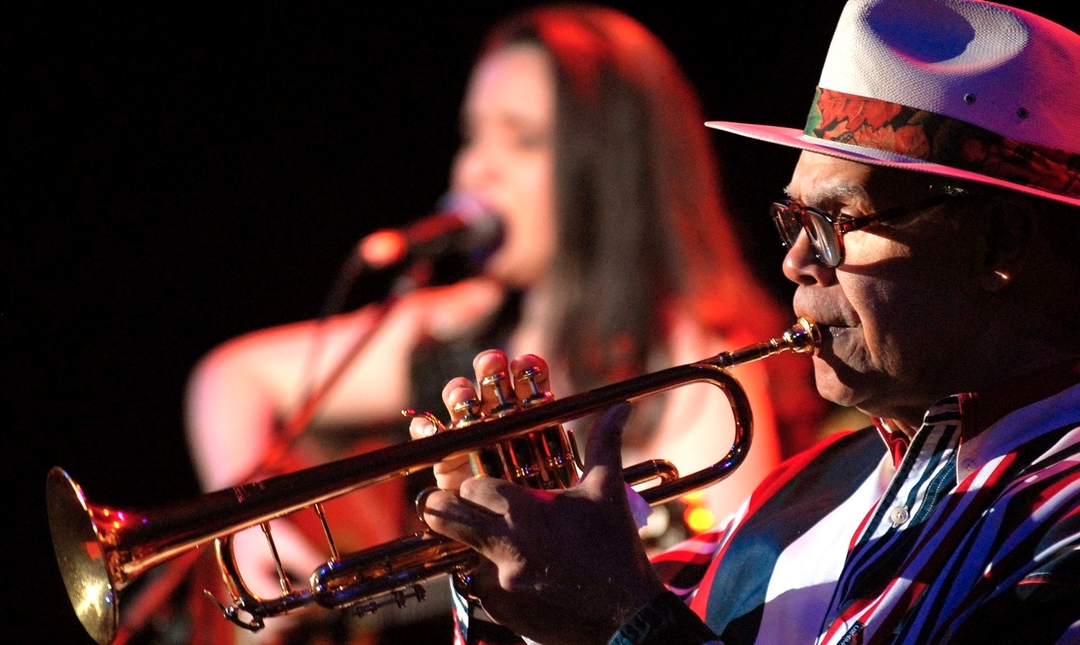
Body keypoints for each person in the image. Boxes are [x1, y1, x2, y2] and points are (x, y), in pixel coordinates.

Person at [415, 1, 1080, 644]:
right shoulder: (799, 494)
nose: (794, 261)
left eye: (837, 223)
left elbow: (628, 619)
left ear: (998, 243)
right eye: (793, 221)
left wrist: (622, 617)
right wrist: (523, 572)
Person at [169, 6, 822, 645]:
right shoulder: (461, 316)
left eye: (521, 138)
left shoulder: (691, 363)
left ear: (607, 170)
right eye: (473, 135)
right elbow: (229, 377)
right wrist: (261, 539)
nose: (475, 167)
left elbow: (734, 611)